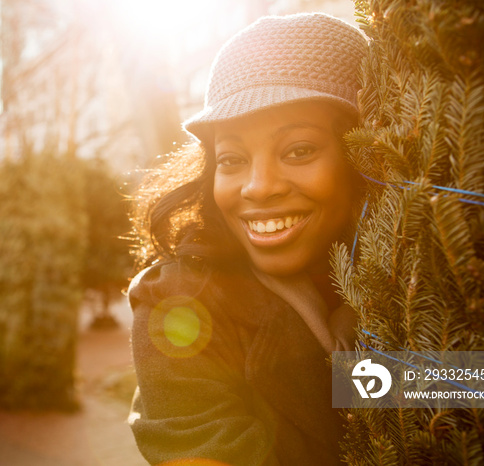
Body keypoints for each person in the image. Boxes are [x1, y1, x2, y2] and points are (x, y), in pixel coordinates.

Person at [127, 13, 368, 466]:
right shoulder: (180, 302)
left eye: (299, 150)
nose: (258, 187)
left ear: (365, 155)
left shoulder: (426, 275)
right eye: (232, 158)